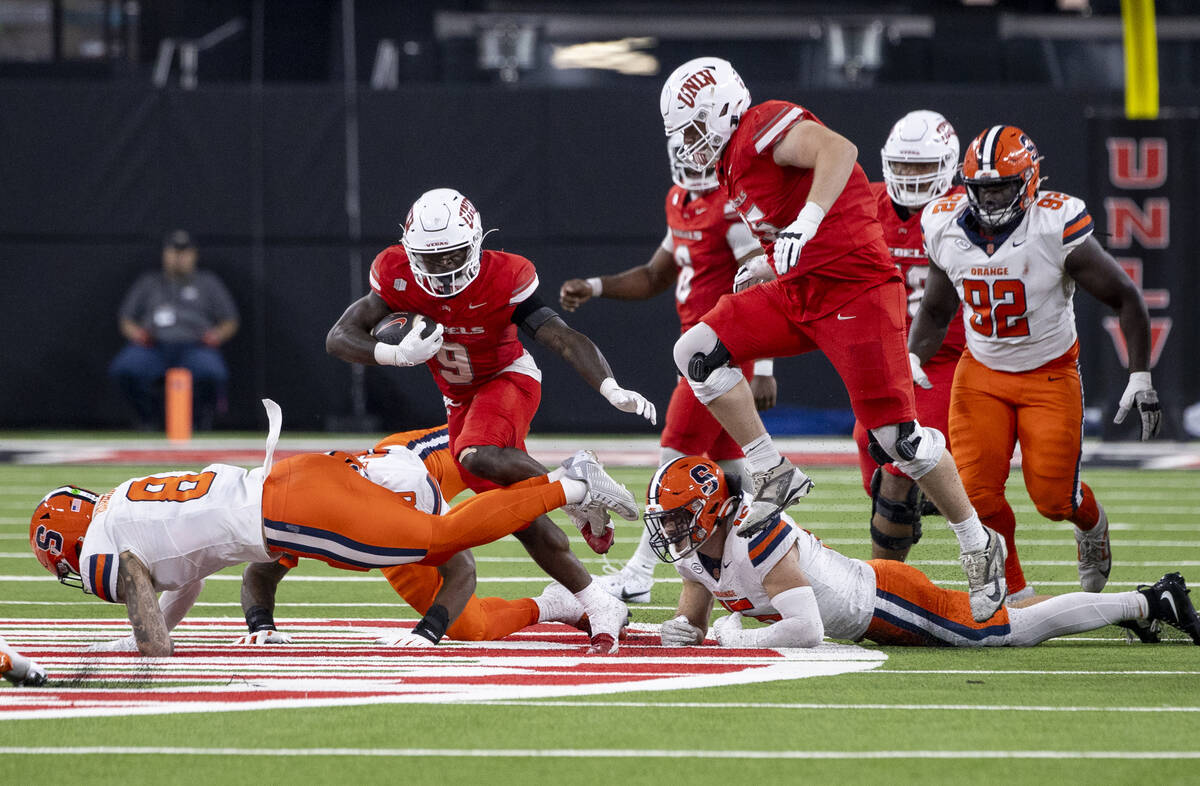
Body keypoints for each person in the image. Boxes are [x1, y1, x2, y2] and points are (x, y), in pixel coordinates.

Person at [658, 56, 1006, 621]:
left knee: (900, 441)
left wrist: (807, 221)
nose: (692, 144)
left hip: (855, 294)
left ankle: (975, 539)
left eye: (697, 127)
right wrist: (773, 263)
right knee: (695, 351)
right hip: (800, 292)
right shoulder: (727, 163)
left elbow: (839, 150)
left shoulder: (761, 124)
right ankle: (772, 467)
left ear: (723, 109)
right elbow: (791, 218)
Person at [28, 400, 639, 656]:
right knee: (448, 576)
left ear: (69, 546)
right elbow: (181, 580)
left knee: (439, 538)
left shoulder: (102, 549)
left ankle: (573, 484)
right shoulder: (126, 512)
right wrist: (246, 629)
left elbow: (135, 579)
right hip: (286, 496)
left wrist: (149, 657)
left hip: (292, 509)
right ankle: (556, 598)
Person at [326, 187, 654, 644]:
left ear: (477, 242)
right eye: (430, 258)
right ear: (408, 249)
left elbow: (560, 336)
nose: (441, 269)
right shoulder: (396, 273)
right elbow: (339, 336)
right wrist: (393, 355)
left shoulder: (505, 276)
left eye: (452, 255)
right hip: (459, 400)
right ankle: (596, 598)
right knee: (514, 512)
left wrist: (608, 385)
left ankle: (576, 482)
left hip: (507, 378)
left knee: (478, 455)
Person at [908, 125, 1162, 600]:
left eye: (1002, 186)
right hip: (980, 373)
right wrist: (912, 356)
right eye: (981, 189)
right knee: (977, 495)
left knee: (1053, 499)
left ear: (1029, 180)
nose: (991, 199)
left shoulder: (1054, 224)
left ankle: (1091, 523)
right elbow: (937, 309)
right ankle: (1018, 594)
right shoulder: (943, 225)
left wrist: (1140, 375)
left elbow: (1125, 297)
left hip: (1048, 373)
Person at [646, 456, 1199, 649]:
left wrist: (740, 637)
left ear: (713, 508)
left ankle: (1151, 603)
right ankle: (1148, 605)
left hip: (883, 600)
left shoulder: (754, 531)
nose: (670, 531)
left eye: (677, 517)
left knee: (1010, 631)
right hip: (868, 609)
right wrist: (683, 629)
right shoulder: (699, 549)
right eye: (665, 520)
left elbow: (805, 629)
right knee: (1012, 624)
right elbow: (695, 608)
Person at [558, 138, 774, 604]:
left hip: (721, 349)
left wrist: (765, 362)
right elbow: (656, 274)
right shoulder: (679, 200)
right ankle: (764, 560)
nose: (695, 161)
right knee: (733, 475)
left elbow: (762, 279)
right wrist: (595, 286)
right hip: (699, 349)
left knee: (674, 461)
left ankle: (639, 573)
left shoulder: (730, 207)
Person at [233, 424, 594, 647]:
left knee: (483, 457)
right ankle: (554, 604)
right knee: (470, 626)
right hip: (378, 517)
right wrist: (260, 623)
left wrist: (427, 631)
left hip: (415, 465)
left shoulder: (403, 496)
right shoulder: (299, 514)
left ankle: (576, 489)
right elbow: (260, 570)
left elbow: (461, 566)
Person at [849, 110, 966, 564]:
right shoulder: (865, 203)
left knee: (901, 462)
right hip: (885, 358)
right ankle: (928, 497)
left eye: (922, 166)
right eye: (903, 165)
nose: (911, 177)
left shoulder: (968, 211)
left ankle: (883, 586)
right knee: (875, 470)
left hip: (948, 358)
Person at [108, 229, 239, 430]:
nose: (178, 257)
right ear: (165, 254)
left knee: (214, 373)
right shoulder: (149, 282)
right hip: (154, 346)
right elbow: (125, 318)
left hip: (194, 346)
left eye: (184, 252)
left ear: (193, 254)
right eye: (173, 251)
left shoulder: (207, 282)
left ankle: (199, 421)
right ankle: (147, 419)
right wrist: (136, 333)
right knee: (124, 368)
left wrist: (217, 335)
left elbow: (230, 320)